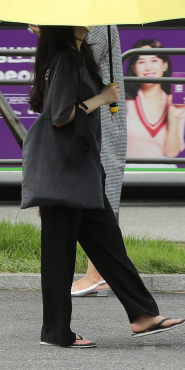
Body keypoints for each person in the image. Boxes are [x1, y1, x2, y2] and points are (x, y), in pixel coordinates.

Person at [22, 24, 185, 348]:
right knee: (59, 254)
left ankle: (142, 315)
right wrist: (102, 97)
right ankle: (56, 332)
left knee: (108, 243)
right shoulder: (67, 58)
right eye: (84, 17)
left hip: (80, 167)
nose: (91, 21)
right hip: (63, 169)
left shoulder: (78, 55)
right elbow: (59, 115)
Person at [70, 25, 125, 298]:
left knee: (101, 188)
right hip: (96, 108)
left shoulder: (98, 19)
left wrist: (48, 36)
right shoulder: (94, 9)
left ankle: (99, 273)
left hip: (100, 110)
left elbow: (80, 54)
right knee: (97, 187)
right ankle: (105, 271)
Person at [123, 39, 185, 163]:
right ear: (134, 68)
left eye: (154, 60)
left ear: (165, 65)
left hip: (161, 175)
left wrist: (173, 117)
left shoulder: (175, 104)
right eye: (141, 62)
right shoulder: (123, 103)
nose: (149, 68)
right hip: (128, 174)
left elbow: (171, 153)